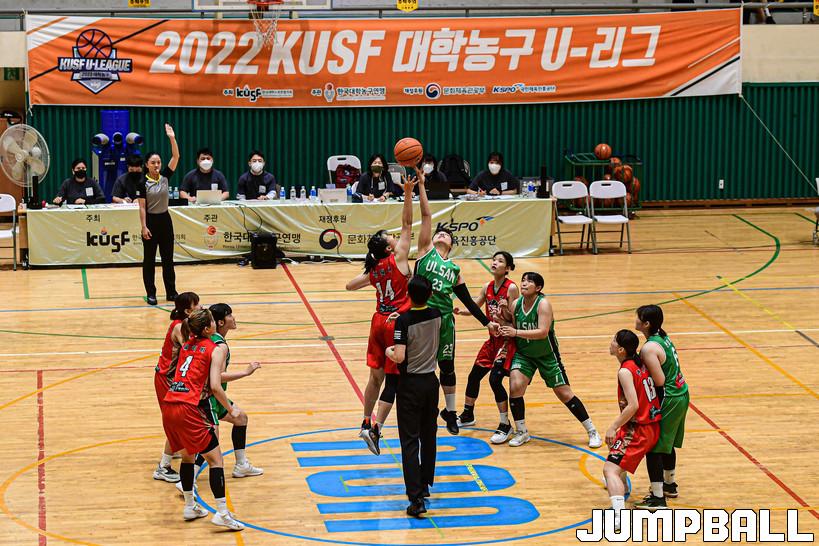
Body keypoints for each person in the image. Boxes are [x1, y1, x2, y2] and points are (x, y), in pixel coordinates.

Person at [414, 170, 498, 435]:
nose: (441, 235)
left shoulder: (454, 269)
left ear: (451, 244)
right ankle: (422, 408)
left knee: (447, 368)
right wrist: (422, 186)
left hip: (445, 322)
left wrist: (487, 323)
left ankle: (450, 412)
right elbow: (426, 215)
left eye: (446, 235)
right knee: (421, 369)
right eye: (439, 233)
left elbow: (469, 302)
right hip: (421, 318)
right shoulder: (425, 251)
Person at [345, 174, 415, 455]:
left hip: (377, 321)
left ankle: (365, 420)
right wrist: (407, 193)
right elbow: (408, 223)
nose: (397, 238)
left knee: (375, 378)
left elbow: (349, 286)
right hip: (395, 321)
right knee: (394, 381)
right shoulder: (399, 258)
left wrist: (370, 276)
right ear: (389, 248)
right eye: (392, 238)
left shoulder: (374, 270)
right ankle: (376, 428)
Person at [161, 308, 244, 530]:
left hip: (170, 404)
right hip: (189, 408)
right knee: (216, 461)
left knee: (188, 459)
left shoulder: (187, 344)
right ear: (208, 328)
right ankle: (222, 513)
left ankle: (190, 506)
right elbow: (215, 386)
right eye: (212, 321)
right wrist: (231, 409)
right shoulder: (215, 349)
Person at [498, 272, 602, 448]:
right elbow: (513, 325)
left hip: (547, 355)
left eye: (529, 281)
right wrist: (503, 315)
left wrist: (515, 332)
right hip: (524, 354)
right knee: (515, 387)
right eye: (523, 280)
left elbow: (542, 332)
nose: (524, 284)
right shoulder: (516, 304)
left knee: (564, 393)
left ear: (538, 288)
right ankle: (522, 432)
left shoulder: (543, 304)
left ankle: (592, 430)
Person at [386, 275, 442, 517]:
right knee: (429, 436)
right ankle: (425, 483)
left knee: (410, 441)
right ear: (430, 295)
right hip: (431, 381)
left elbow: (399, 356)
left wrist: (388, 350)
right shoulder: (437, 314)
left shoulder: (404, 321)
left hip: (410, 385)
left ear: (408, 295)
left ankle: (416, 498)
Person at [454, 251, 518, 445]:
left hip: (507, 342)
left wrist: (504, 311)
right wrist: (461, 311)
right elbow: (476, 307)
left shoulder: (511, 288)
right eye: (494, 259)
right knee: (474, 376)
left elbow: (516, 321)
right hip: (492, 341)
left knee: (495, 380)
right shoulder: (487, 287)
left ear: (507, 268)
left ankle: (505, 424)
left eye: (500, 261)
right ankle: (468, 414)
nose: (495, 262)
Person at [603, 329, 661, 530]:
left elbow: (633, 405)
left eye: (613, 340)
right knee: (613, 449)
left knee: (609, 470)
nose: (610, 342)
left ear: (620, 349)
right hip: (651, 423)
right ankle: (622, 488)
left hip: (639, 429)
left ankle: (619, 516)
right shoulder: (639, 363)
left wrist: (613, 426)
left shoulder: (625, 371)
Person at [634, 304, 689, 510]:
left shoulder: (649, 348)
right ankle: (669, 484)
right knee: (668, 443)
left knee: (654, 447)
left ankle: (657, 498)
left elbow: (659, 381)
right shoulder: (663, 337)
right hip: (681, 392)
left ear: (646, 324)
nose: (635, 319)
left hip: (669, 397)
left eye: (638, 317)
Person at [153, 291, 200, 483]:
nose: (201, 307)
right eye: (197, 305)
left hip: (172, 377)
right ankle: (163, 467)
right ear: (188, 310)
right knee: (176, 422)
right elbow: (190, 349)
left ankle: (174, 449)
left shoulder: (185, 323)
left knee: (177, 422)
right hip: (166, 378)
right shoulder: (180, 327)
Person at [135, 123, 179, 306]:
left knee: (168, 259)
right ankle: (151, 293)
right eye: (153, 162)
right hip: (151, 221)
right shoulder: (142, 183)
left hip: (165, 220)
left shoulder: (165, 177)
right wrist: (144, 227)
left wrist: (172, 138)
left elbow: (176, 156)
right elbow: (142, 207)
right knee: (149, 260)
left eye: (158, 162)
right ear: (146, 165)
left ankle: (171, 292)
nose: (156, 165)